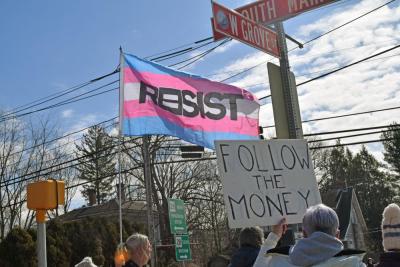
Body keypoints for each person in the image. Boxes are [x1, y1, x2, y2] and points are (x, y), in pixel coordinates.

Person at [253, 204, 366, 267]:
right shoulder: (355, 263)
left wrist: (274, 236)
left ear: (304, 233)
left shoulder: (278, 262)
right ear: (337, 235)